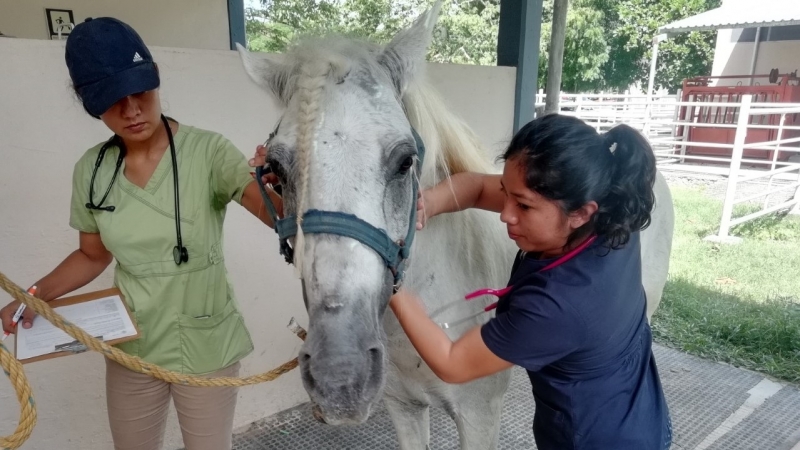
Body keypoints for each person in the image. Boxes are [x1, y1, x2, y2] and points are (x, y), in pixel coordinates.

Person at [0, 17, 281, 450]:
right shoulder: (92, 170)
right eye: (114, 100)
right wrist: (32, 295)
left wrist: (284, 182)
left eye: (140, 93)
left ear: (155, 80)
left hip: (207, 343)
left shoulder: (209, 151)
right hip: (133, 345)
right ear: (91, 103)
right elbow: (92, 255)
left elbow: (275, 215)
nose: (132, 110)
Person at [390, 114, 672, 449]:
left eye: (522, 205)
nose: (506, 214)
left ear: (581, 212)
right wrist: (429, 203)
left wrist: (392, 279)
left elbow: (453, 362)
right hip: (642, 412)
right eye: (506, 194)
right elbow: (479, 188)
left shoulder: (558, 306)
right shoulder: (611, 216)